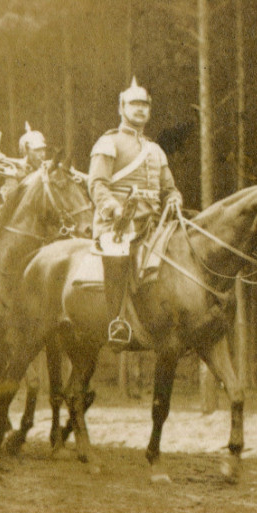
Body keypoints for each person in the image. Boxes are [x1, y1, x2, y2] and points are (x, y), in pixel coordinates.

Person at [87, 77, 182, 345]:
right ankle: (116, 322)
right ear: (121, 108)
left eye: (144, 105)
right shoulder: (108, 142)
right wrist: (114, 209)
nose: (140, 110)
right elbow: (97, 184)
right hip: (118, 225)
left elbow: (169, 188)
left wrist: (174, 198)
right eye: (133, 104)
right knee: (118, 256)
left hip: (152, 223)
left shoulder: (155, 149)